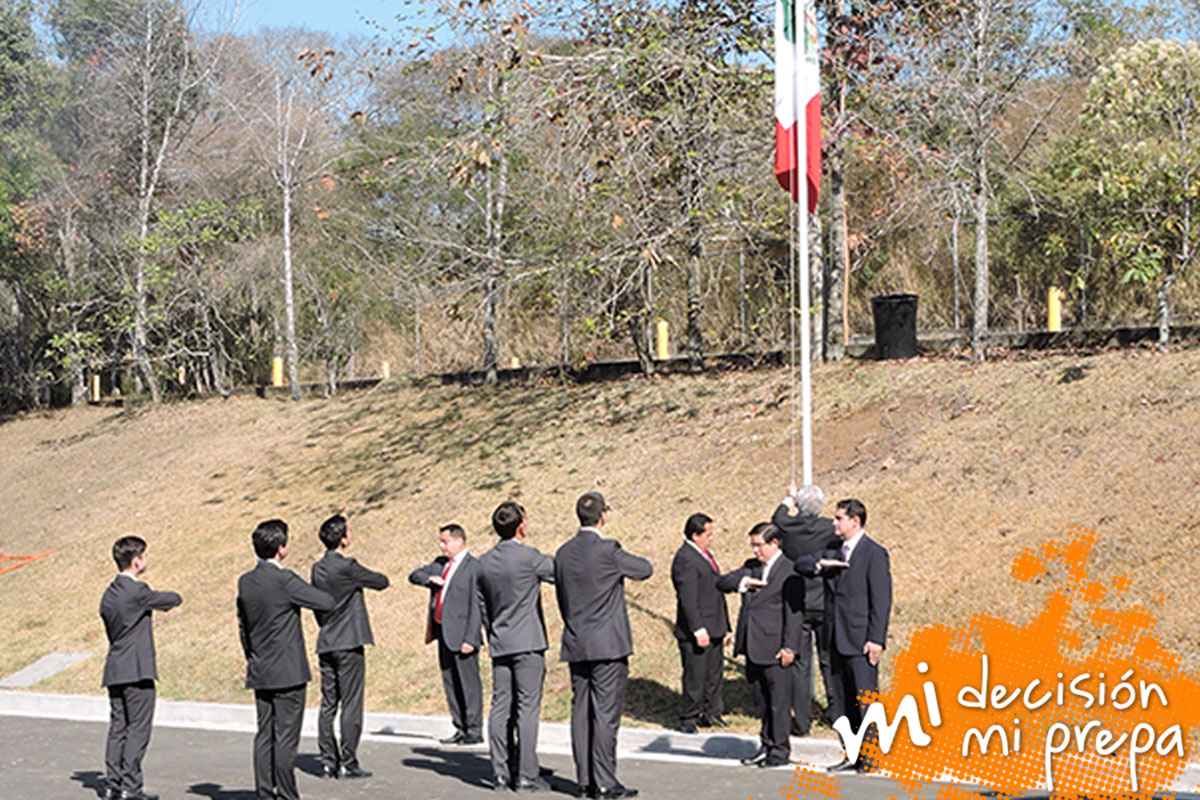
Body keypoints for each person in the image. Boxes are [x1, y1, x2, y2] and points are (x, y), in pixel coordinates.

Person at [555, 491, 652, 799]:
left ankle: (585, 781)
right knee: (605, 715)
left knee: (581, 712)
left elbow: (561, 596)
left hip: (576, 639)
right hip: (607, 644)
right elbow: (644, 569)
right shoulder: (608, 549)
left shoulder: (563, 552)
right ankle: (606, 782)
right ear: (603, 516)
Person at [237, 519, 335, 800]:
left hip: (260, 666)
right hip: (288, 670)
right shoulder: (284, 579)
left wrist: (252, 655)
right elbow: (324, 602)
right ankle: (288, 794)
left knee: (264, 734)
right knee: (285, 738)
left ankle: (265, 792)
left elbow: (243, 626)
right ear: (281, 548)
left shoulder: (246, 581)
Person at [794, 498, 892, 772]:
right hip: (833, 637)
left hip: (861, 640)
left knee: (865, 699)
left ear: (854, 521)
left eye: (839, 518)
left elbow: (881, 600)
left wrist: (877, 639)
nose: (834, 522)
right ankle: (852, 754)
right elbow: (801, 563)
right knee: (842, 701)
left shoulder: (873, 553)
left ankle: (871, 758)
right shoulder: (833, 550)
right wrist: (821, 565)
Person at [477, 501, 556, 792]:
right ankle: (526, 773)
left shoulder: (483, 562)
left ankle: (499, 772)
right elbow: (559, 572)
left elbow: (482, 604)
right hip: (528, 643)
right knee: (527, 708)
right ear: (521, 525)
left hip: (500, 641)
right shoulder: (529, 557)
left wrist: (493, 631)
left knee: (500, 707)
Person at [100, 535, 182, 800]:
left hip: (115, 668)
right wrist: (178, 597)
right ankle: (131, 787)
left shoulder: (109, 594)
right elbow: (169, 599)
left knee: (118, 728)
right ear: (136, 561)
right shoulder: (138, 591)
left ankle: (113, 783)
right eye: (144, 556)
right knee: (138, 729)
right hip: (137, 670)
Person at [310, 514, 390, 780]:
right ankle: (349, 760)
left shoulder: (317, 569)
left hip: (327, 640)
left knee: (328, 704)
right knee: (351, 703)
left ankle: (327, 761)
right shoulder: (348, 567)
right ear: (343, 539)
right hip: (349, 641)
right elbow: (380, 581)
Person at [717, 522, 803, 769]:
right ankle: (765, 745)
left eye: (759, 545)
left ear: (774, 543)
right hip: (752, 644)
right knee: (762, 701)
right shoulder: (751, 568)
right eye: (753, 545)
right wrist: (744, 583)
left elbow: (794, 613)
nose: (755, 550)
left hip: (776, 646)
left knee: (778, 701)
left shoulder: (790, 571)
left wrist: (790, 646)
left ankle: (779, 749)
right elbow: (723, 582)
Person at [771, 483, 840, 736]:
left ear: (799, 506)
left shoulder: (788, 527)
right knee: (829, 659)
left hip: (798, 602)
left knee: (800, 664)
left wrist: (788, 499)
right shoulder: (828, 528)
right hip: (823, 600)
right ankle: (836, 712)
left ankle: (801, 720)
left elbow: (777, 517)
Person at [409, 523, 484, 745]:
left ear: (459, 541)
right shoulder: (440, 565)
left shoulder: (473, 567)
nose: (442, 546)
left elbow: (476, 606)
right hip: (443, 632)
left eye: (446, 541)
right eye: (441, 542)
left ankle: (474, 728)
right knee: (450, 681)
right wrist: (429, 579)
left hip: (463, 635)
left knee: (469, 684)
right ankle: (459, 726)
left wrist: (471, 638)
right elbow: (414, 575)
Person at [669, 512, 730, 734]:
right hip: (697, 629)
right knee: (696, 674)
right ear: (695, 535)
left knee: (714, 673)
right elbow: (688, 598)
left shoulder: (704, 555)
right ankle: (689, 716)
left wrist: (725, 626)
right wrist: (698, 628)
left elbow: (715, 589)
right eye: (708, 534)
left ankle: (711, 711)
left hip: (714, 624)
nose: (710, 539)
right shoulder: (685, 559)